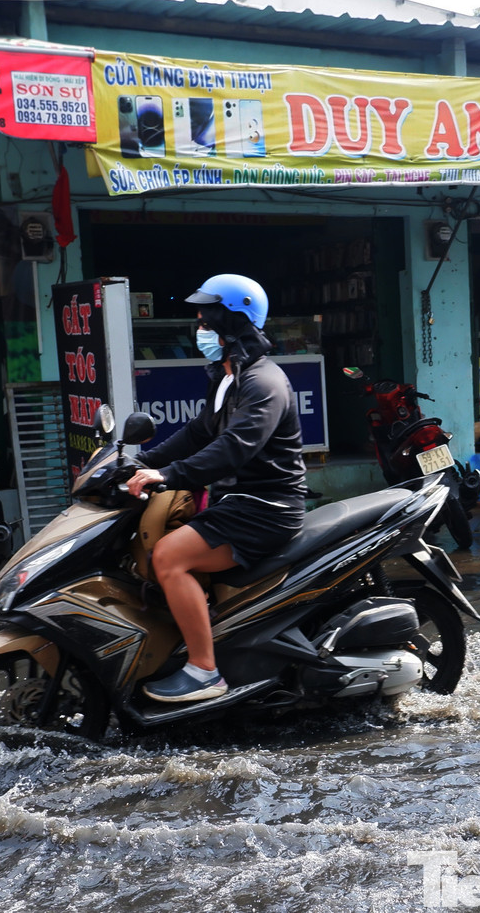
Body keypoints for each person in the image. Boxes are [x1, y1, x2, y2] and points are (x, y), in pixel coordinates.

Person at [125, 274, 307, 702]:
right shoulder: (229, 378)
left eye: (207, 319)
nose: (200, 327)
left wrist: (170, 475)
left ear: (234, 322)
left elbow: (234, 447)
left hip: (266, 507)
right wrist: (142, 462)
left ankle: (205, 672)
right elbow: (199, 432)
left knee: (168, 556)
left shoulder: (264, 383)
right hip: (237, 502)